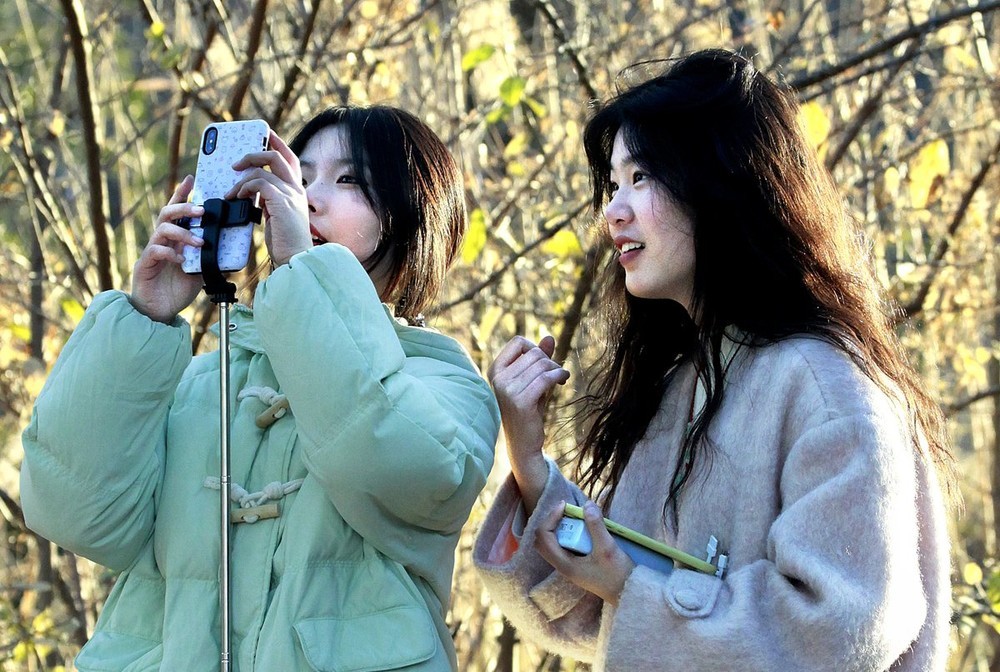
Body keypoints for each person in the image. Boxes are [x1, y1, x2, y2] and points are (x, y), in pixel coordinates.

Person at [474, 49, 952, 671]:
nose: (613, 210)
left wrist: (631, 589)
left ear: (722, 183)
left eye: (642, 177)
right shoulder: (685, 384)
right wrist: (529, 459)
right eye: (614, 185)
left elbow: (839, 630)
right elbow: (596, 612)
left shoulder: (824, 386)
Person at [20, 105, 500, 671]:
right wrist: (144, 319)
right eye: (302, 176)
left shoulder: (444, 381)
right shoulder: (200, 382)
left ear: (415, 215)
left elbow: (403, 471)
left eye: (349, 180)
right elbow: (75, 517)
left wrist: (305, 272)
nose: (308, 198)